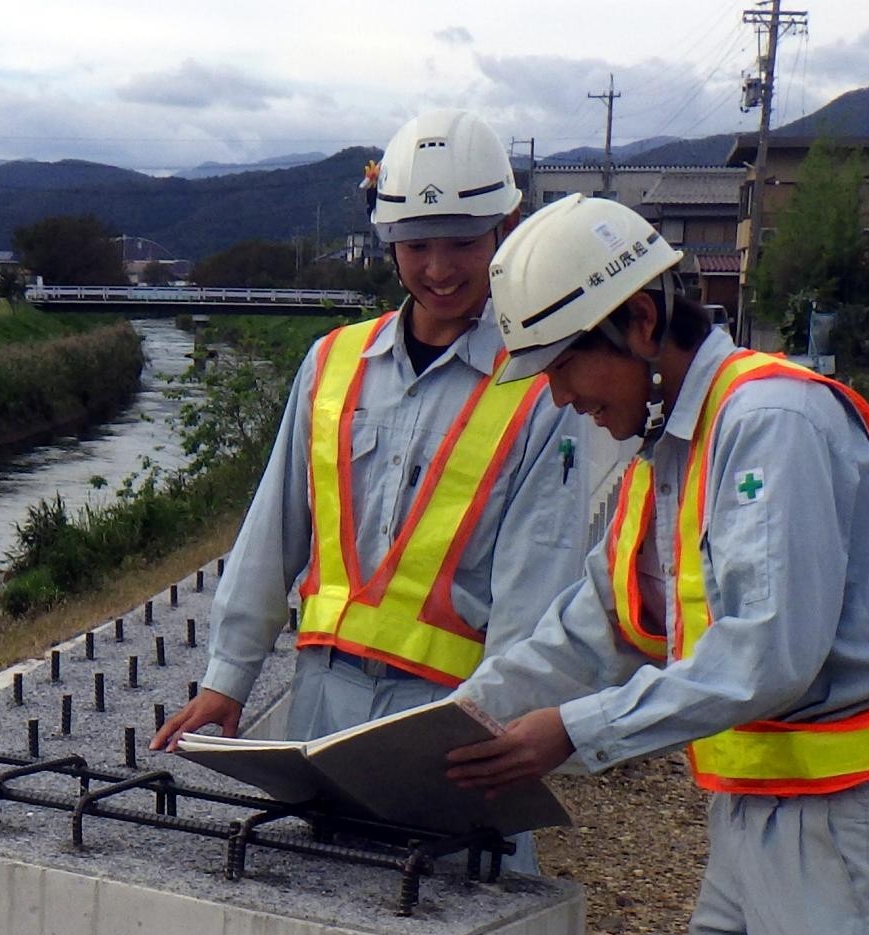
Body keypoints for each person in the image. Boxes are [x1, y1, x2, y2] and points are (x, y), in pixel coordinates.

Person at [446, 194, 869, 935]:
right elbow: (600, 626)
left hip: (848, 814)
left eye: (565, 365)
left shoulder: (770, 424)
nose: (560, 397)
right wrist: (454, 724)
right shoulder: (669, 451)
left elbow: (769, 652)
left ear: (644, 324)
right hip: (760, 802)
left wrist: (574, 730)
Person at [151, 111, 589, 869]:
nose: (440, 267)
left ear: (507, 228)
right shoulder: (333, 365)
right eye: (418, 244)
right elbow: (273, 531)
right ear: (390, 242)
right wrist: (228, 678)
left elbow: (537, 592)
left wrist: (502, 729)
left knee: (453, 899)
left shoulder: (542, 385)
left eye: (463, 242)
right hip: (321, 707)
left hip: (451, 723)